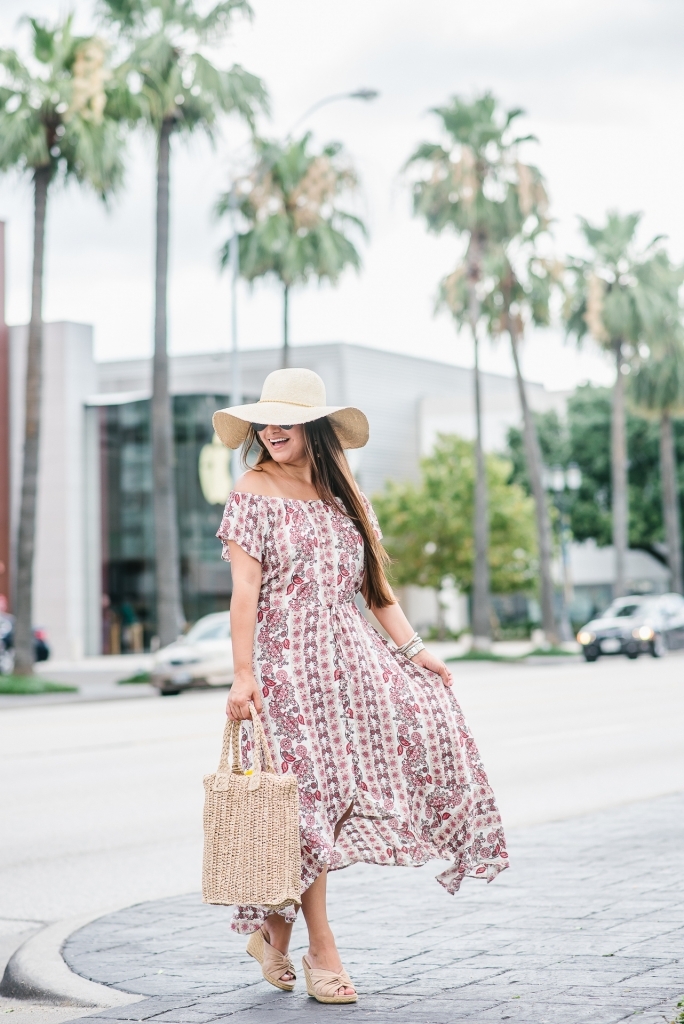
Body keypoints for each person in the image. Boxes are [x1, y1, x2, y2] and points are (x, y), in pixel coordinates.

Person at [213, 368, 508, 1005]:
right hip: (286, 666)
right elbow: (243, 594)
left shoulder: (345, 495)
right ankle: (322, 947)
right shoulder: (252, 489)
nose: (272, 429)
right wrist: (242, 676)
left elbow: (375, 589)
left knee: (349, 785)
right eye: (266, 419)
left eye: (285, 419)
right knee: (307, 802)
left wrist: (417, 651)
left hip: (352, 663)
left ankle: (272, 933)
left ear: (315, 427)